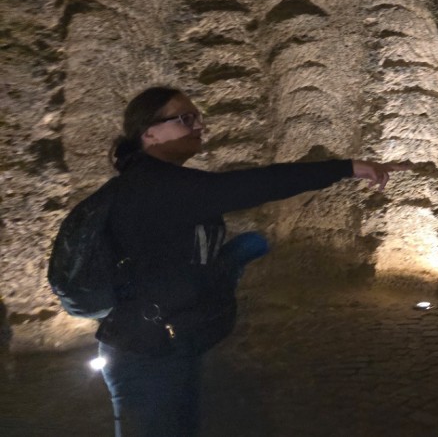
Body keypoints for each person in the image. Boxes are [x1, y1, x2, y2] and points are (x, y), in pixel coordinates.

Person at [93, 86, 409, 436]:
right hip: (146, 354)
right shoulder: (158, 184)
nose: (199, 125)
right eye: (185, 118)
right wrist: (349, 167)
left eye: (198, 117)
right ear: (149, 133)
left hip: (161, 344)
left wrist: (227, 265)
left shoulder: (150, 183)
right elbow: (260, 183)